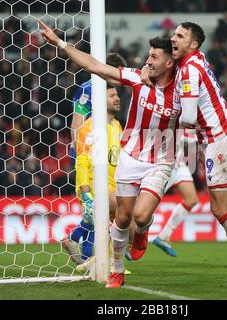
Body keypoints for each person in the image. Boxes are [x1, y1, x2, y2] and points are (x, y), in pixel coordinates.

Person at [39, 20, 181, 289]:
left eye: (153, 57)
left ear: (169, 63)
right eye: (148, 55)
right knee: (122, 218)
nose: (147, 60)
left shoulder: (183, 91)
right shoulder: (137, 79)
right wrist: (59, 43)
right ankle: (116, 269)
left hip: (160, 161)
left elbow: (201, 111)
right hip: (131, 156)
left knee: (139, 217)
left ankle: (141, 231)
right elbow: (93, 65)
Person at [144, 22, 227, 289]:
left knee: (220, 208)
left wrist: (169, 118)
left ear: (194, 44)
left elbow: (187, 116)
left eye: (180, 36)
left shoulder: (188, 70)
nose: (173, 39)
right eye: (174, 34)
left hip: (219, 140)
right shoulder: (196, 61)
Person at [61, 84, 122, 265]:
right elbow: (82, 159)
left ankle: (85, 257)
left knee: (98, 223)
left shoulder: (117, 126)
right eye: (111, 95)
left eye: (117, 94)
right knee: (119, 213)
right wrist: (85, 189)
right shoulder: (90, 126)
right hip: (94, 182)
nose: (117, 98)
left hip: (113, 183)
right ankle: (109, 261)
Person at [69, 53, 127, 165]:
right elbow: (76, 125)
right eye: (117, 74)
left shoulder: (111, 90)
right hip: (87, 151)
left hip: (103, 150)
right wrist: (82, 156)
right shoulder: (88, 89)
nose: (120, 79)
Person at [153, 129, 199, 257]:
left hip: (178, 164)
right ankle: (128, 242)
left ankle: (164, 236)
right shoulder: (177, 113)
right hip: (163, 165)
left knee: (192, 199)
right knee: (147, 207)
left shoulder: (193, 116)